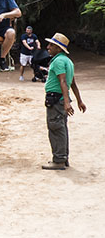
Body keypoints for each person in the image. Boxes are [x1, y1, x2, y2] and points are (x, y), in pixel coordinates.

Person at [42, 33, 86, 170]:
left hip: (56, 100)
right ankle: (63, 157)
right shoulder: (68, 61)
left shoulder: (58, 61)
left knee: (55, 128)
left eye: (51, 45)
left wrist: (67, 102)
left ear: (59, 48)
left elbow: (63, 82)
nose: (48, 47)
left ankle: (59, 160)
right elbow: (72, 83)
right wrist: (79, 100)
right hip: (60, 100)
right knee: (61, 128)